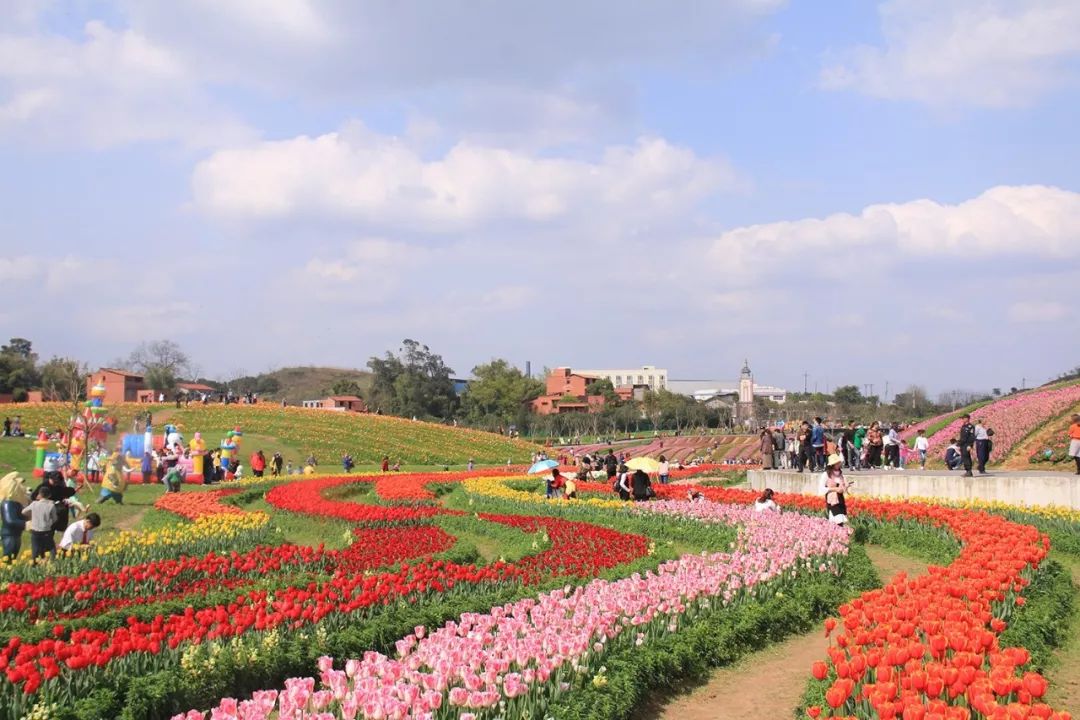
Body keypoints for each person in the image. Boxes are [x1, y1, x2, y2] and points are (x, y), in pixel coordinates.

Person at [0, 472, 30, 560]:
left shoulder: (16, 504)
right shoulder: (8, 503)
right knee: (8, 556)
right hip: (10, 535)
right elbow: (10, 520)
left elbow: (20, 516)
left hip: (16, 534)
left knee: (13, 556)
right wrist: (26, 524)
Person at [22, 486, 57, 560]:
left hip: (35, 530)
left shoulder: (34, 504)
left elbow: (23, 511)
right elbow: (55, 519)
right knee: (51, 548)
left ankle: (35, 563)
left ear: (40, 495)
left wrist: (32, 515)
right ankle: (51, 562)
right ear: (49, 495)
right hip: (46, 531)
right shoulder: (51, 505)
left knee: (35, 549)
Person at [818, 454, 849, 526]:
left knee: (841, 520)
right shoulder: (826, 474)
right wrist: (835, 489)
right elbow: (821, 489)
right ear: (832, 464)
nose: (839, 464)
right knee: (836, 520)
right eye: (837, 463)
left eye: (839, 463)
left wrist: (845, 486)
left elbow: (843, 486)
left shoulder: (840, 474)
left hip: (840, 499)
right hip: (832, 500)